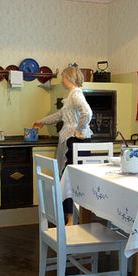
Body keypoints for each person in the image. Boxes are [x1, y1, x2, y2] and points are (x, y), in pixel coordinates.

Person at [33, 66, 93, 225]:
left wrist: (79, 129)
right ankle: (71, 217)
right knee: (71, 179)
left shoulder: (76, 94)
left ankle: (71, 218)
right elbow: (60, 115)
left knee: (69, 180)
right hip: (75, 140)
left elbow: (87, 113)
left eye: (63, 77)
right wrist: (42, 121)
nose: (61, 80)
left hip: (74, 141)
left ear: (69, 78)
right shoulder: (72, 95)